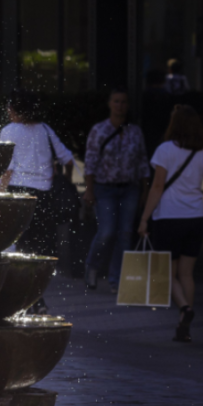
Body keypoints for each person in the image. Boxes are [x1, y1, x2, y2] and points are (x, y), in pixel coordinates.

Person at [137, 105, 203, 342]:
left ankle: (185, 309)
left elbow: (157, 187)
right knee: (187, 274)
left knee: (168, 274)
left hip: (168, 218)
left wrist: (144, 218)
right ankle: (183, 326)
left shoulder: (165, 150)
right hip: (195, 218)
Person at [0, 92, 76, 313]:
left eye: (10, 107)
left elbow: (8, 169)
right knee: (36, 250)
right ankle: (36, 298)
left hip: (18, 193)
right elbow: (68, 159)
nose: (7, 111)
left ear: (16, 110)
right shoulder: (45, 130)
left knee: (17, 248)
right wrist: (62, 179)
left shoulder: (8, 131)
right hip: (43, 196)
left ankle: (22, 300)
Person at [82, 88, 150, 293]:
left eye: (124, 102)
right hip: (105, 189)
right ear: (110, 104)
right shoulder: (99, 130)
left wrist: (145, 191)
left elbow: (142, 163)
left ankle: (117, 280)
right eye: (116, 101)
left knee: (125, 234)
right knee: (107, 231)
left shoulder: (135, 132)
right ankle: (92, 266)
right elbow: (90, 162)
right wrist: (89, 190)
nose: (120, 105)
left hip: (130, 188)